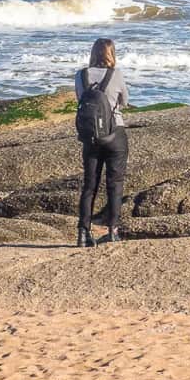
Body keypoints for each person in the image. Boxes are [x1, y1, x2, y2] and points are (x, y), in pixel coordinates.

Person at [75, 38, 129, 247]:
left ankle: (83, 234)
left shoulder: (81, 75)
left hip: (90, 136)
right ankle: (113, 232)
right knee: (115, 183)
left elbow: (80, 99)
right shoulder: (116, 74)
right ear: (111, 54)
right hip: (115, 133)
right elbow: (124, 101)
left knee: (89, 185)